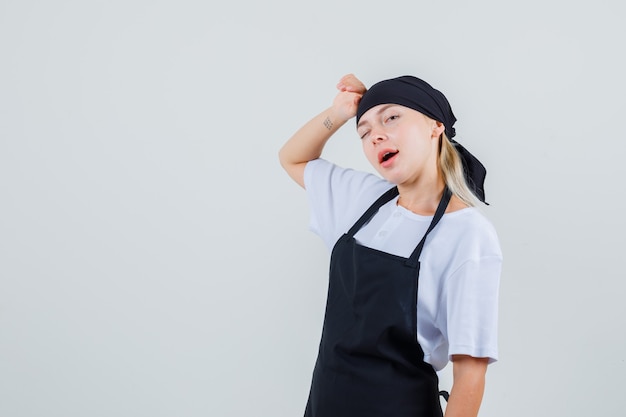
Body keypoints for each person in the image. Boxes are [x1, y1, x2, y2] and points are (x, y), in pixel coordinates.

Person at [278, 73, 502, 417]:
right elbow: (292, 158)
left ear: (435, 125)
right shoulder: (361, 200)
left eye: (392, 117)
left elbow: (470, 375)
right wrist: (340, 111)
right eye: (364, 131)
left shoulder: (467, 233)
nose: (375, 135)